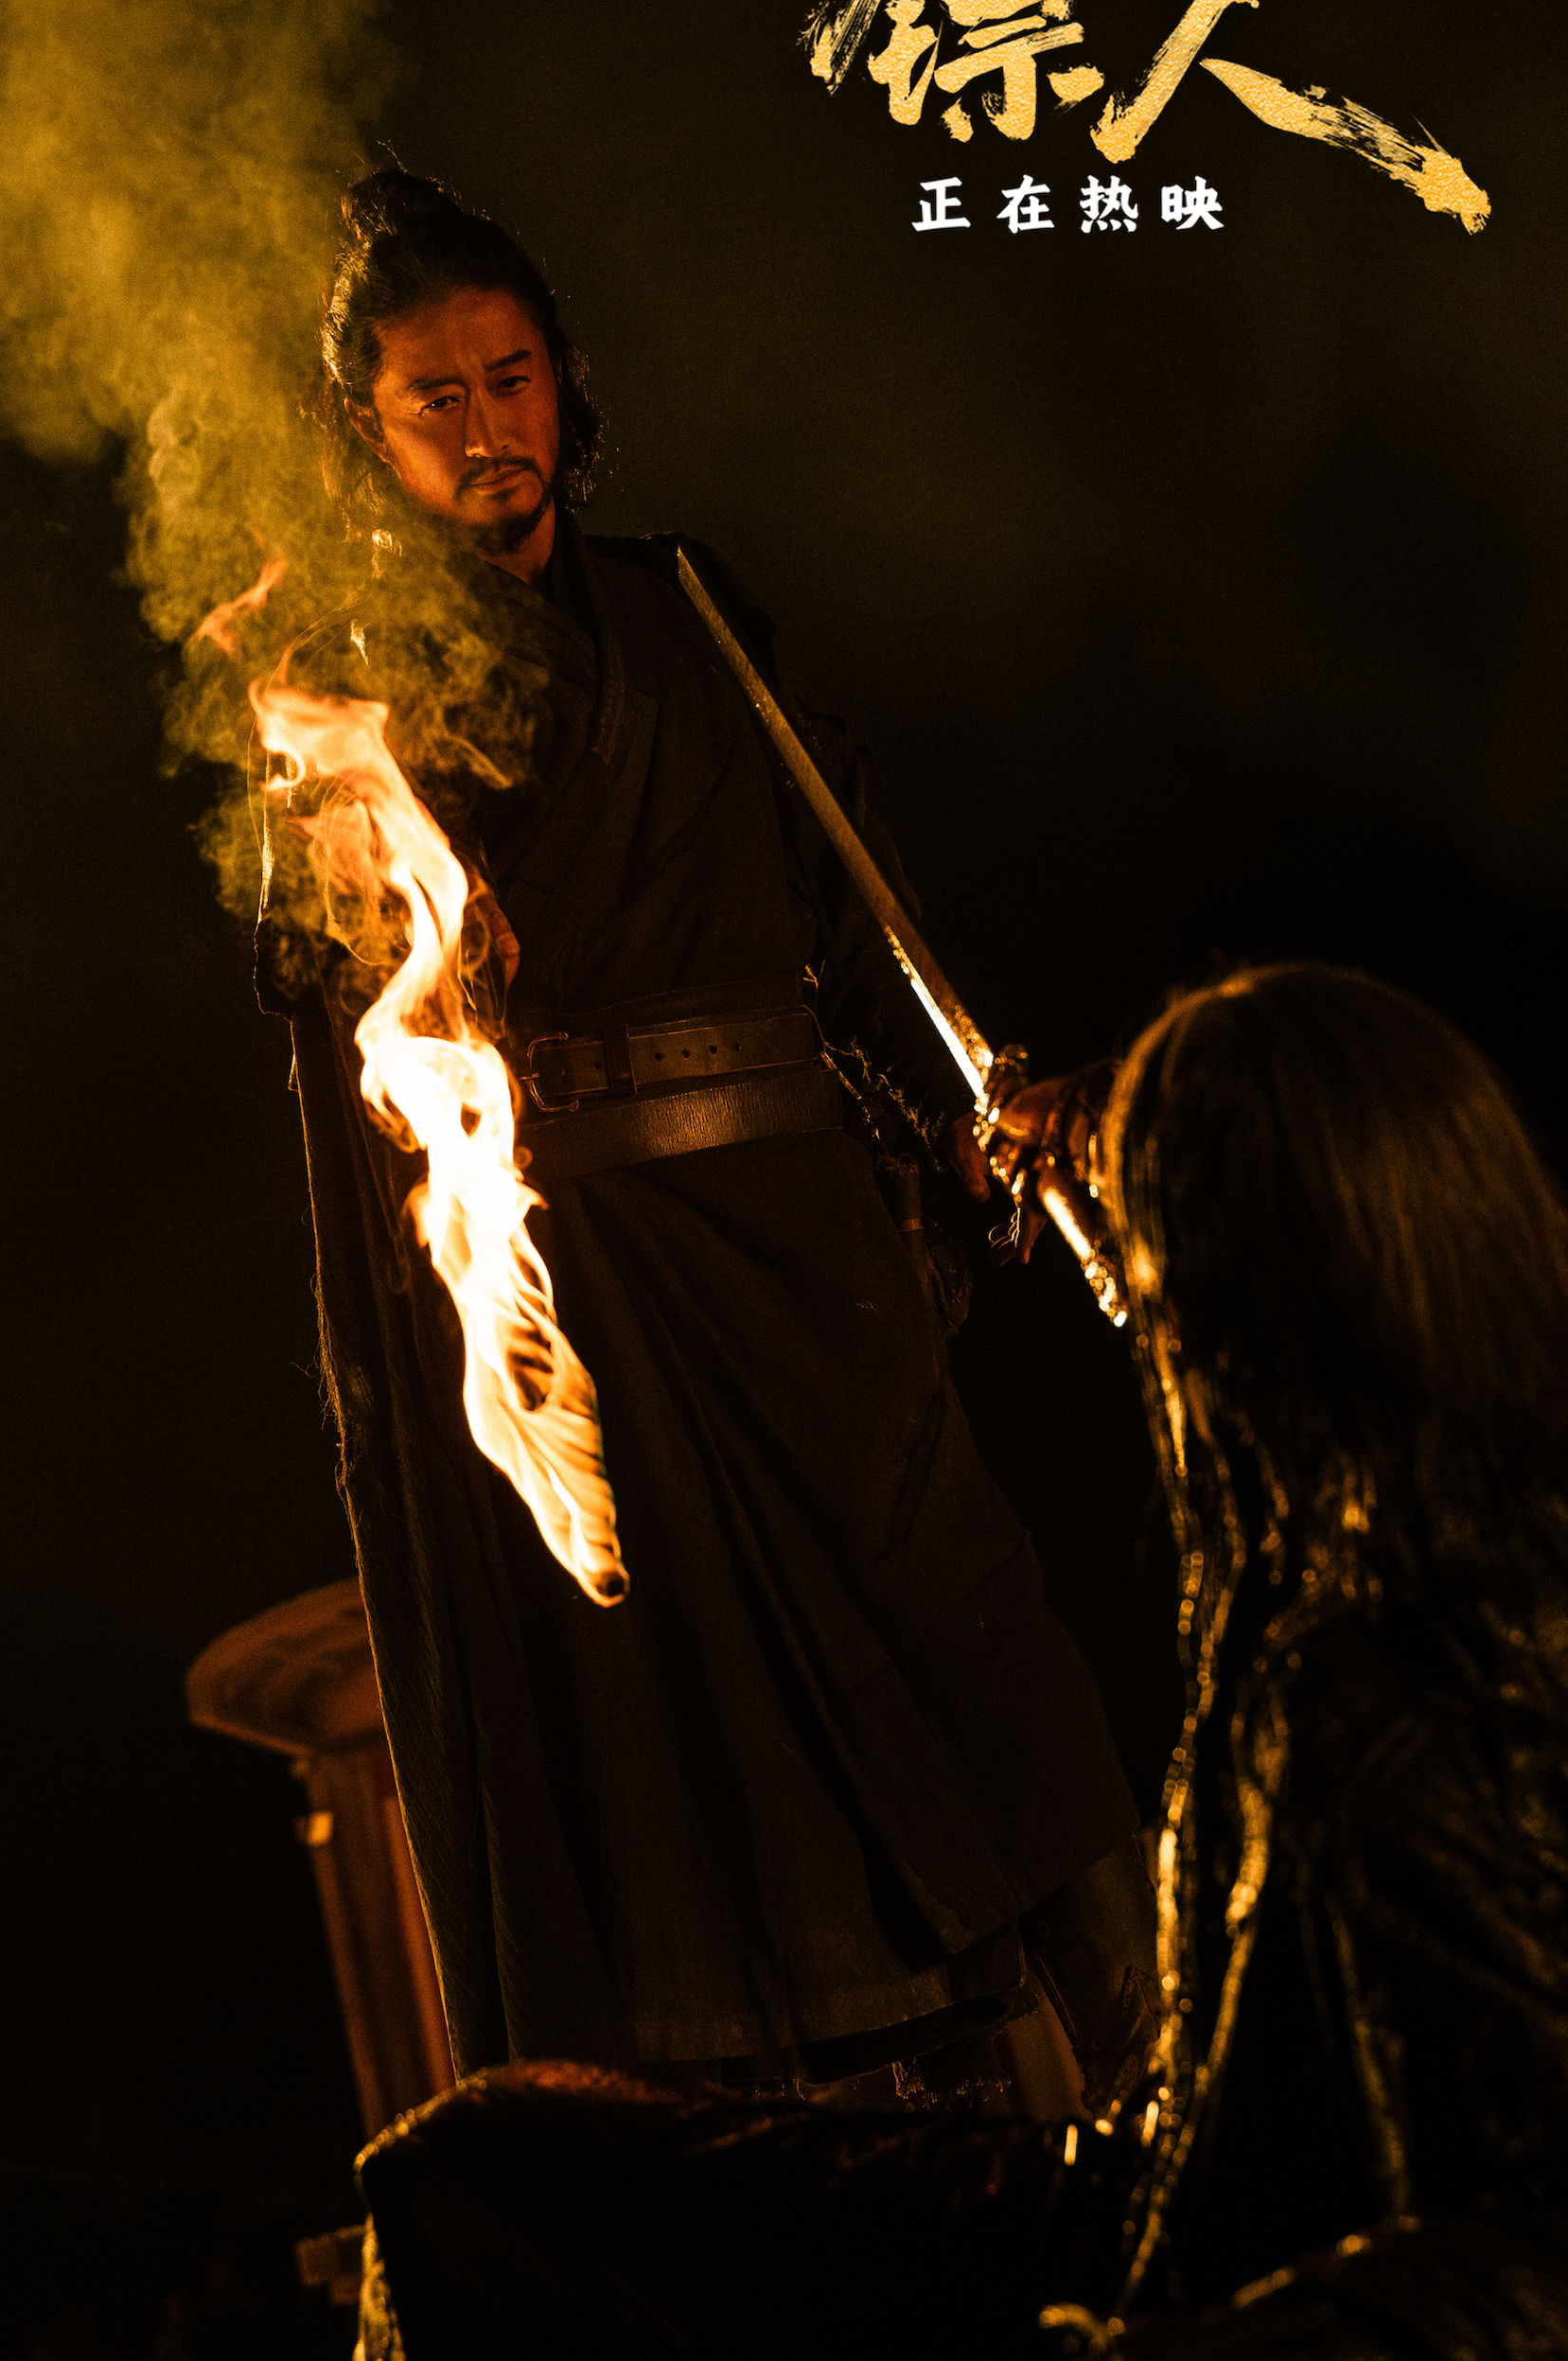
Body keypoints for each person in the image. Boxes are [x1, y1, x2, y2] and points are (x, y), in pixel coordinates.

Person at [257, 165, 1154, 2111]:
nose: (489, 428)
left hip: (812, 1265)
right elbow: (327, 983)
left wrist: (970, 1113)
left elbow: (853, 913)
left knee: (983, 1679)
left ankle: (1156, 2105)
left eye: (512, 377)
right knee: (698, 1780)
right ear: (369, 433)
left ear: (567, 379)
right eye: (438, 398)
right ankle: (816, 2175)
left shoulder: (685, 608)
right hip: (595, 1298)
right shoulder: (339, 687)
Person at [354, 962, 1568, 2358]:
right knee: (485, 2168)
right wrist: (1102, 1131)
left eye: (1166, 1268)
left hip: (1250, 2287)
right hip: (1167, 2201)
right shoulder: (1401, 1575)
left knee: (495, 2201)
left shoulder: (1399, 1696)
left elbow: (1522, 2250)